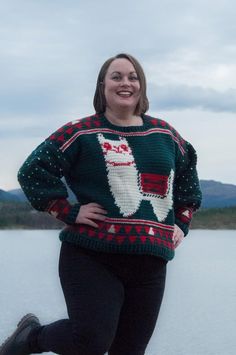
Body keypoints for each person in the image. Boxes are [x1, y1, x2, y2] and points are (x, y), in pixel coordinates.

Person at [0, 53, 202, 355]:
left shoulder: (164, 134)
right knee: (92, 341)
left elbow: (187, 176)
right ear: (102, 86)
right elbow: (32, 171)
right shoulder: (80, 132)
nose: (125, 83)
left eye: (132, 77)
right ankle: (31, 337)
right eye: (116, 76)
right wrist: (67, 210)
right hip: (92, 255)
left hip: (151, 262)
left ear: (141, 86)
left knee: (129, 350)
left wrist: (181, 223)